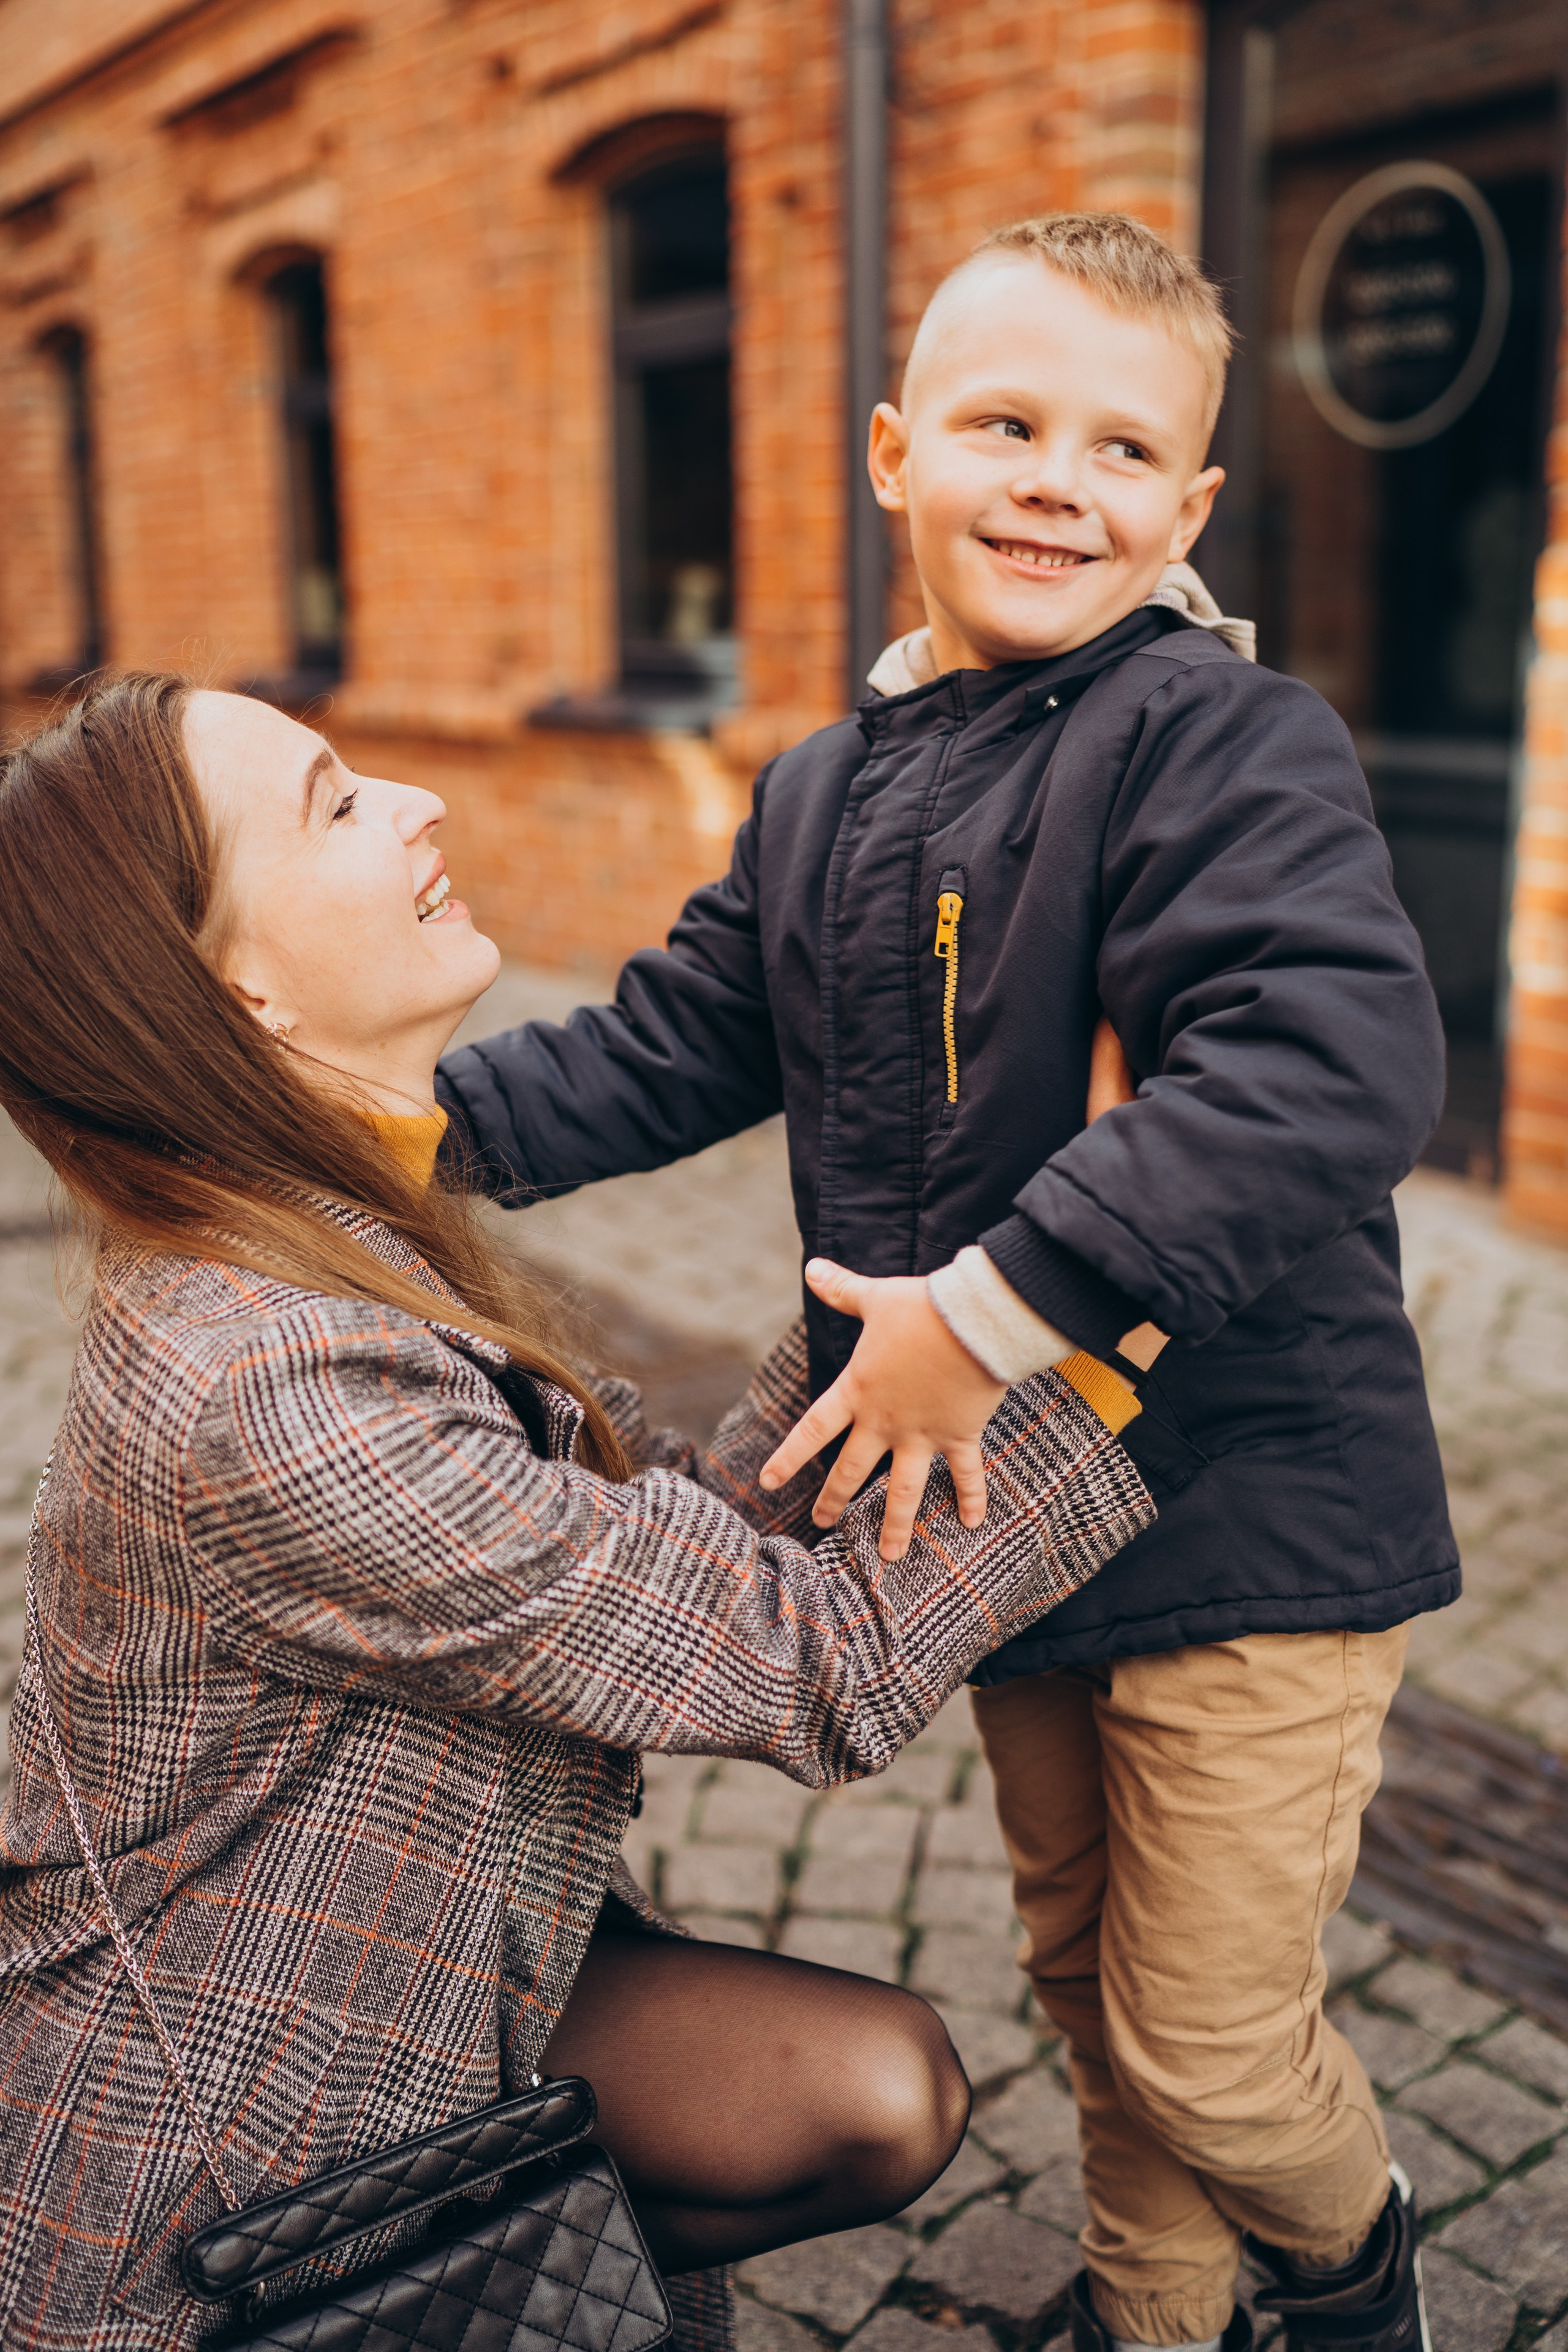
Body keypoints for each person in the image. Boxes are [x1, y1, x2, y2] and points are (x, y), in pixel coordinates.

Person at [435, 214, 1454, 2352]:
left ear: (1187, 512)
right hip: (1005, 1527)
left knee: (1207, 2034)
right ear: (897, 454)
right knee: (1087, 1973)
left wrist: (984, 1314)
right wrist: (387, 1135)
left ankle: (1359, 2285)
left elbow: (1326, 1062)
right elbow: (658, 1047)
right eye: (1006, 424)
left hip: (1256, 1503)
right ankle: (1155, 2318)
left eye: (1121, 447)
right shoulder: (825, 793)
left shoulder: (1214, 739)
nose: (1056, 481)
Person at [0, 674, 1155, 2352]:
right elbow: (808, 1661)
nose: (418, 801)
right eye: (334, 802)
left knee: (878, 2087)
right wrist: (1098, 1322)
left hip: (418, 1974)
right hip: (226, 2180)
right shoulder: (266, 1383)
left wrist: (944, 1311)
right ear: (231, 987)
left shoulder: (311, 1235)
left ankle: (569, 2273)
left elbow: (639, 1539)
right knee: (864, 2092)